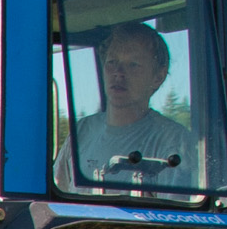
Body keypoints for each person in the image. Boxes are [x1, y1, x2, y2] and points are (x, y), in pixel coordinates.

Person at [54, 22, 195, 190]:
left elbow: (175, 213)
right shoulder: (82, 132)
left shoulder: (174, 142)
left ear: (158, 76)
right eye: (112, 62)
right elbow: (55, 201)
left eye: (133, 64)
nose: (118, 73)